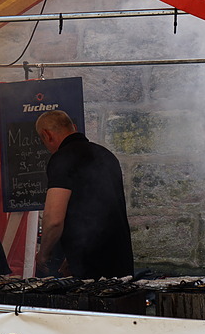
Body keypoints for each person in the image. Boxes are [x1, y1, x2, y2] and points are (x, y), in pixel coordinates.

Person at [34, 110, 133, 279]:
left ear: (47, 135)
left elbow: (54, 220)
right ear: (74, 127)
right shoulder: (106, 155)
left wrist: (43, 254)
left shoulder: (62, 158)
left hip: (89, 270)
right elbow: (100, 210)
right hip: (120, 260)